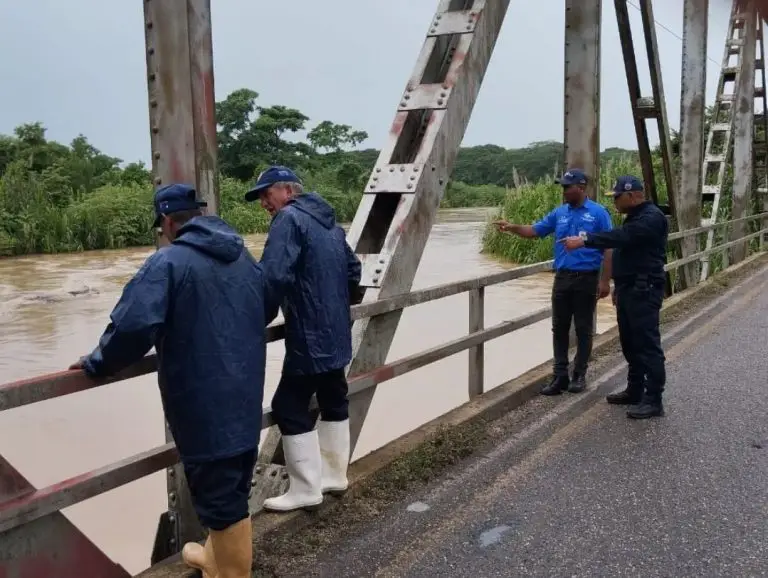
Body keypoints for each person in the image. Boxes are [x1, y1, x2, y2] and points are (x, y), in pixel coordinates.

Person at [69, 184, 273, 578]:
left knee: (219, 497)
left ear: (166, 221)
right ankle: (213, 561)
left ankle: (232, 574)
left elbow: (132, 327)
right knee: (230, 490)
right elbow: (264, 306)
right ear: (199, 214)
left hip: (201, 400)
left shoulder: (168, 263)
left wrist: (97, 363)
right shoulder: (243, 257)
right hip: (245, 392)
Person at [244, 166, 363, 513]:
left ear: (286, 191)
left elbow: (273, 275)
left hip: (309, 334)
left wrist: (257, 320)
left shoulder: (289, 220)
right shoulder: (327, 222)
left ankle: (306, 488)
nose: (264, 203)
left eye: (266, 194)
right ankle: (334, 476)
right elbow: (354, 271)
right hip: (337, 331)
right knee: (333, 396)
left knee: (288, 406)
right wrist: (336, 303)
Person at [493, 168, 613, 396]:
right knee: (559, 328)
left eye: (568, 187)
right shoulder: (559, 213)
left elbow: (609, 247)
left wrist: (605, 281)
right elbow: (534, 231)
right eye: (563, 187)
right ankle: (560, 376)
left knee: (584, 329)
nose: (564, 191)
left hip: (587, 278)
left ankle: (579, 375)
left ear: (581, 187)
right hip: (562, 278)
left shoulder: (598, 213)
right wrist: (512, 227)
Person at [560, 175, 668, 419]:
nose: (615, 202)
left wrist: (585, 239)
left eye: (617, 197)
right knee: (630, 341)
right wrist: (617, 286)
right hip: (630, 287)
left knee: (647, 344)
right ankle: (635, 389)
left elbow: (620, 238)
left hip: (645, 288)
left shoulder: (651, 218)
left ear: (632, 195)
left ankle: (653, 399)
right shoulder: (635, 217)